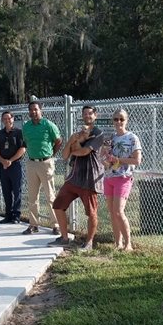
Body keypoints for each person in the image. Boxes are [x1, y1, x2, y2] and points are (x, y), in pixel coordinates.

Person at [49, 105, 106, 250]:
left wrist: (76, 148)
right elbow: (64, 155)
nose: (87, 116)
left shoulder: (98, 134)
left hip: (89, 178)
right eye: (84, 113)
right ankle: (64, 237)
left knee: (91, 212)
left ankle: (89, 242)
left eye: (90, 113)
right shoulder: (77, 134)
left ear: (95, 116)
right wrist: (71, 141)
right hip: (74, 178)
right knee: (58, 205)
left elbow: (85, 152)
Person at [21, 101, 63, 235]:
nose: (33, 112)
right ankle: (33, 225)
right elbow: (26, 142)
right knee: (32, 196)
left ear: (41, 110)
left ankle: (56, 225)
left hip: (46, 163)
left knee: (50, 196)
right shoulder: (26, 126)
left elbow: (58, 141)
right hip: (32, 163)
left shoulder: (48, 125)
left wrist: (50, 155)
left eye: (36, 109)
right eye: (31, 110)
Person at [103, 108, 141, 251]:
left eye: (121, 119)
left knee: (119, 211)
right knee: (113, 213)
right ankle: (117, 243)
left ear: (126, 120)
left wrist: (118, 159)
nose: (118, 122)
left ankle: (128, 244)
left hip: (123, 178)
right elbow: (104, 158)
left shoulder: (132, 138)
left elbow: (137, 160)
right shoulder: (110, 138)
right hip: (109, 177)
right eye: (116, 119)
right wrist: (106, 159)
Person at [0, 110, 26, 224]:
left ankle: (16, 216)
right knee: (6, 191)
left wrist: (10, 161)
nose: (7, 120)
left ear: (12, 119)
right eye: (4, 119)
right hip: (3, 166)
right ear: (2, 120)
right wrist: (3, 161)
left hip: (15, 165)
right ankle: (8, 215)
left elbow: (22, 149)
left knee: (17, 191)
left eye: (9, 118)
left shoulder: (19, 132)